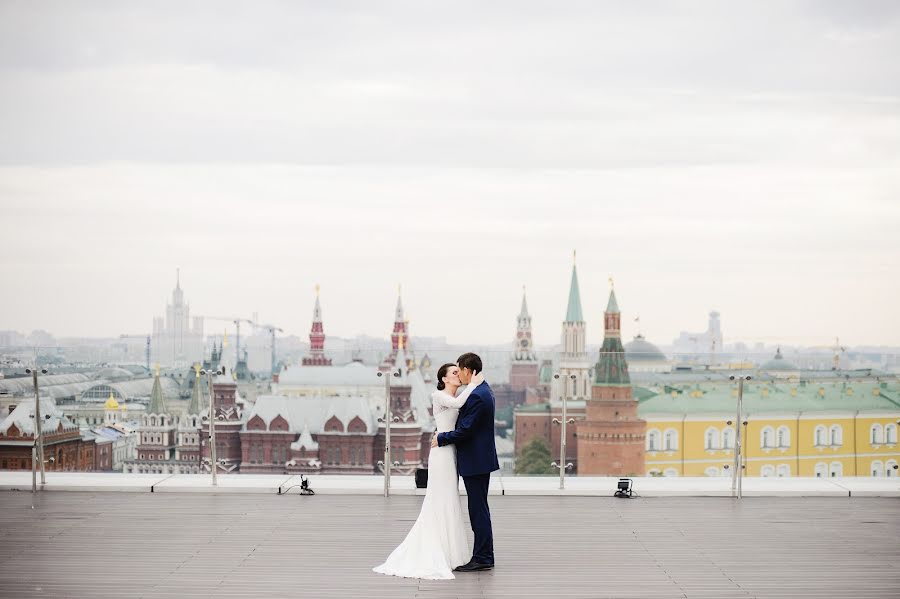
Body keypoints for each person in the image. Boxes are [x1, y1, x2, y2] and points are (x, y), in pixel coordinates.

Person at [373, 361, 486, 579]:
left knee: (450, 498)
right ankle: (441, 550)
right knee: (440, 498)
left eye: (458, 372)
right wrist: (473, 383)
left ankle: (451, 552)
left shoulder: (453, 396)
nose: (458, 375)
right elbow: (460, 403)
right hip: (442, 452)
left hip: (450, 449)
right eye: (454, 373)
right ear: (444, 379)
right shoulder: (439, 395)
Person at [433, 352, 499, 572]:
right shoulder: (482, 389)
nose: (459, 374)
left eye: (459, 369)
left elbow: (466, 431)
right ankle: (484, 555)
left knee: (478, 510)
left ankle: (483, 557)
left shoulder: (478, 395)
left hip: (476, 461)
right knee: (479, 508)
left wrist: (441, 438)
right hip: (478, 459)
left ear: (468, 370)